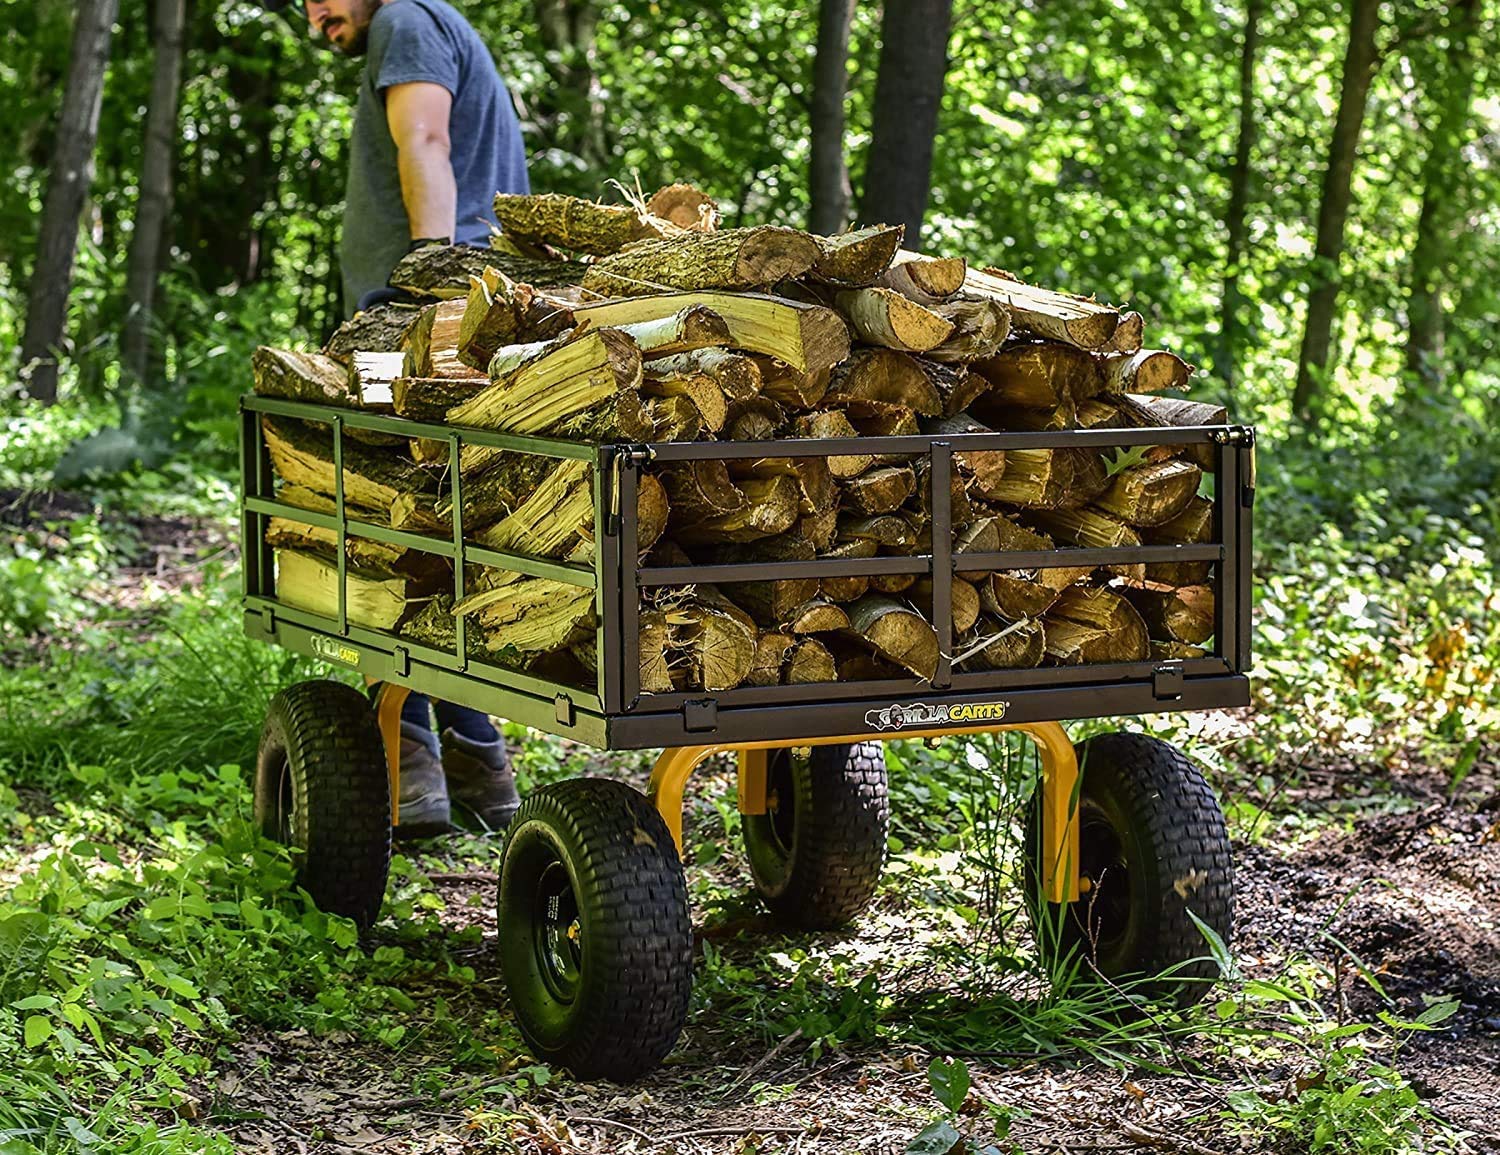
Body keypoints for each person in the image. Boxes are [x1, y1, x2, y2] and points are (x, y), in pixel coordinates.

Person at [265, 0, 529, 835]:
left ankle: (410, 754)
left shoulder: (406, 22)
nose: (317, 14)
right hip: (436, 319)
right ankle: (475, 758)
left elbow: (425, 142)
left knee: (389, 512)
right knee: (437, 515)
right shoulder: (429, 25)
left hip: (420, 330)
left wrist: (425, 285)